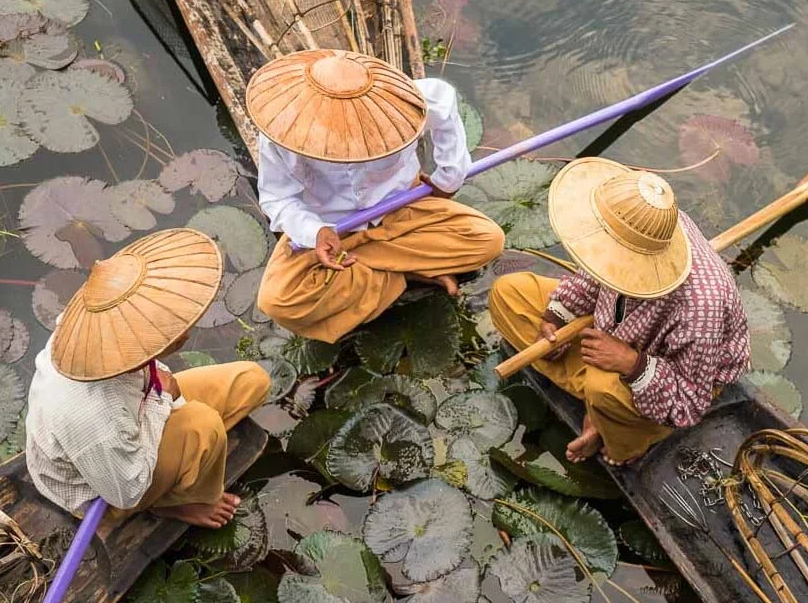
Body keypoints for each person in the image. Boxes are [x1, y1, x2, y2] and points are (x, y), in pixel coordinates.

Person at [488, 158, 750, 465]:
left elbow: (689, 402)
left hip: (672, 371)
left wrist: (632, 363)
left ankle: (627, 432)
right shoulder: (632, 226)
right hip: (610, 334)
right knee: (510, 294)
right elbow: (595, 273)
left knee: (602, 388)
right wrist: (556, 319)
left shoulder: (700, 307)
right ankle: (602, 415)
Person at [248, 48, 504, 343]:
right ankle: (409, 272)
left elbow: (441, 97)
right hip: (334, 229)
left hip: (400, 210)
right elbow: (277, 199)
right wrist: (314, 231)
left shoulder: (397, 103)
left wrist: (449, 176)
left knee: (487, 240)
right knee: (278, 302)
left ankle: (379, 277)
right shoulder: (284, 131)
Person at [25, 228, 270, 529]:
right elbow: (127, 491)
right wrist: (162, 400)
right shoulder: (93, 413)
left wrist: (161, 394)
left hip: (136, 407)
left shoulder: (103, 330)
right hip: (103, 488)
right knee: (202, 424)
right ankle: (181, 502)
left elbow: (149, 380)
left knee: (250, 381)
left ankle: (190, 458)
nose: (182, 329)